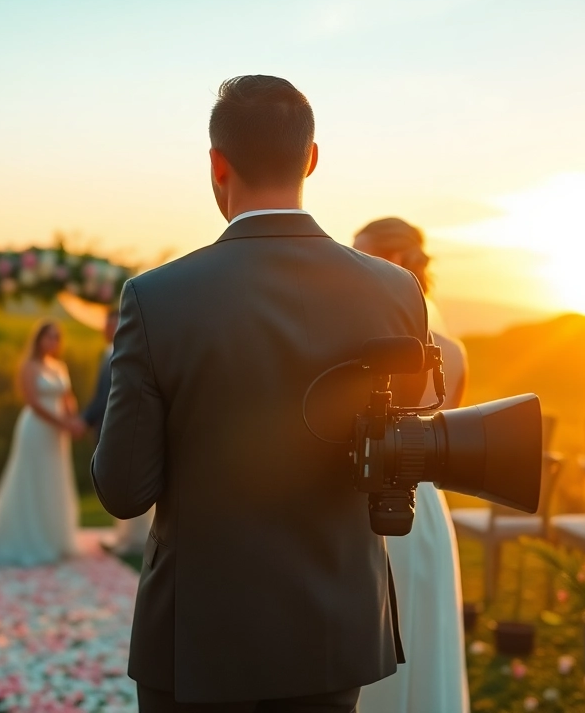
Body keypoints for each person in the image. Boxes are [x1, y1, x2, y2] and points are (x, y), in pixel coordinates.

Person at [92, 75, 429, 712]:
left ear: (217, 165)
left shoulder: (156, 298)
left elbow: (123, 490)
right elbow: (400, 452)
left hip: (198, 635)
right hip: (334, 628)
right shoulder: (396, 291)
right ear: (311, 158)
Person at [352, 217, 470, 713]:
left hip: (373, 508)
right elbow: (449, 443)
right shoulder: (455, 353)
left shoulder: (361, 347)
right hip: (427, 513)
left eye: (361, 257)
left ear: (394, 261)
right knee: (421, 644)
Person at [0, 320, 84, 566]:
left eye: (57, 337)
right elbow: (34, 403)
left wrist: (73, 420)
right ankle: (29, 537)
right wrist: (63, 423)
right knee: (33, 479)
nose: (53, 341)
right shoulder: (29, 367)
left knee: (54, 479)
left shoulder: (59, 367)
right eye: (49, 336)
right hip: (37, 429)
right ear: (39, 339)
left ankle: (55, 538)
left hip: (57, 434)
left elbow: (68, 398)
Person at [83, 308, 155, 555]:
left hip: (121, 428)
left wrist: (84, 420)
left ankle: (136, 539)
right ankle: (124, 536)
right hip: (105, 424)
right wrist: (86, 419)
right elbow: (101, 397)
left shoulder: (128, 354)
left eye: (113, 324)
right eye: (106, 324)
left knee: (126, 477)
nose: (108, 328)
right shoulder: (106, 354)